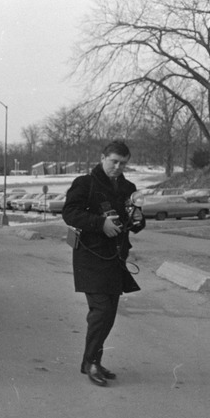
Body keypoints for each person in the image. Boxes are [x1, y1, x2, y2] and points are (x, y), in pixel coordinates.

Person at [62, 140, 146, 387]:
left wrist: (139, 220)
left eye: (123, 163)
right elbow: (70, 213)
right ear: (102, 158)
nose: (118, 167)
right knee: (101, 311)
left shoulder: (128, 187)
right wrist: (100, 223)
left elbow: (133, 220)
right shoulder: (85, 183)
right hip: (90, 257)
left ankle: (92, 361)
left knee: (107, 314)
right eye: (114, 162)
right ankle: (91, 362)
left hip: (115, 258)